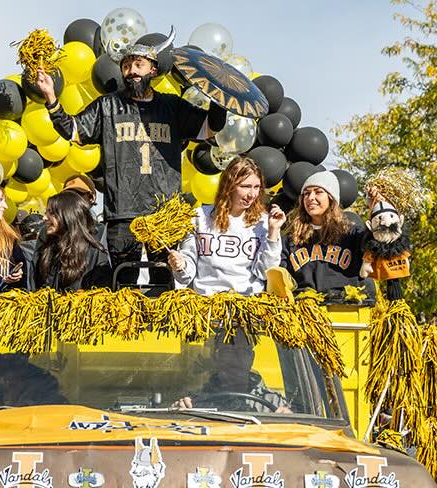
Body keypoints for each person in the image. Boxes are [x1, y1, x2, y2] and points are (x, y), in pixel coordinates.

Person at [35, 32, 208, 286]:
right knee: (122, 283)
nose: (131, 71)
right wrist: (51, 97)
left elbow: (207, 129)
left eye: (138, 65)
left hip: (164, 214)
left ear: (153, 69)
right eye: (126, 66)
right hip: (122, 213)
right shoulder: (107, 106)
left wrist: (219, 98)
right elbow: (72, 130)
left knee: (164, 281)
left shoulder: (172, 106)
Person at [169, 156, 284, 296]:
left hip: (247, 304)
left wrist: (273, 232)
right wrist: (180, 266)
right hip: (206, 304)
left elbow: (264, 273)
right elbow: (185, 275)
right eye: (245, 186)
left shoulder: (264, 222)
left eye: (256, 187)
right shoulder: (199, 217)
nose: (252, 194)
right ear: (229, 186)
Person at [280, 171, 371, 296]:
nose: (310, 197)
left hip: (344, 309)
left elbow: (380, 250)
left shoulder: (352, 234)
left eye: (318, 192)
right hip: (305, 309)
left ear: (331, 197)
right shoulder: (291, 237)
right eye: (306, 193)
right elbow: (278, 274)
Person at [173, 334, 292, 414]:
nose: (236, 359)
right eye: (228, 351)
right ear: (216, 357)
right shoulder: (196, 402)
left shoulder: (274, 402)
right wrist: (179, 412)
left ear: (251, 358)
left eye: (243, 351)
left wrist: (289, 420)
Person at [33, 190, 112, 291]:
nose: (44, 218)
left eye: (51, 213)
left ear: (68, 215)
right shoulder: (46, 248)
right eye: (46, 212)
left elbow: (101, 294)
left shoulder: (94, 252)